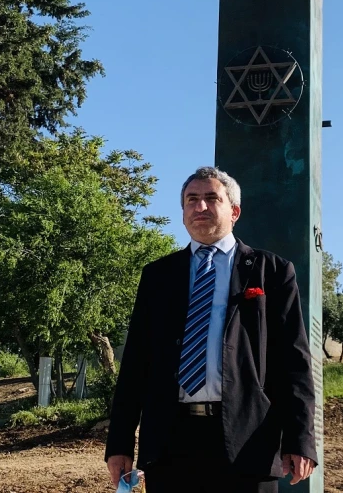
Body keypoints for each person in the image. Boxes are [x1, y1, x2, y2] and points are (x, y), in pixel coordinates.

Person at [105, 166, 318, 493]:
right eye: (191, 200)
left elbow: (294, 362)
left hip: (248, 441)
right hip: (170, 444)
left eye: (211, 198)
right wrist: (119, 443)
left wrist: (300, 439)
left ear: (234, 211)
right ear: (182, 213)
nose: (200, 207)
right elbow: (136, 364)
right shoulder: (158, 276)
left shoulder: (271, 272)